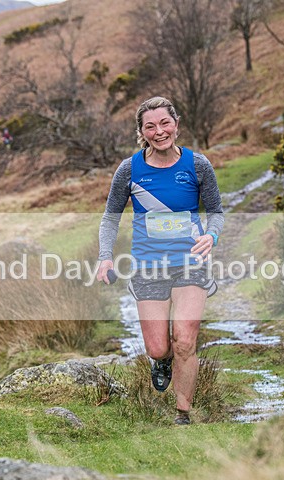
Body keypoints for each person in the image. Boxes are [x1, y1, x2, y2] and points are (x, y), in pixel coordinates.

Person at [97, 96, 224, 425]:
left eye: (165, 123)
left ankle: (183, 413)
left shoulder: (198, 165)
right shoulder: (130, 170)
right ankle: (161, 361)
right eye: (150, 126)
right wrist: (104, 258)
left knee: (185, 338)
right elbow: (110, 219)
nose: (159, 131)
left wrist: (212, 235)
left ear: (177, 125)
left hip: (190, 263)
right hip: (148, 266)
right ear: (141, 132)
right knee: (158, 348)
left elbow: (217, 214)